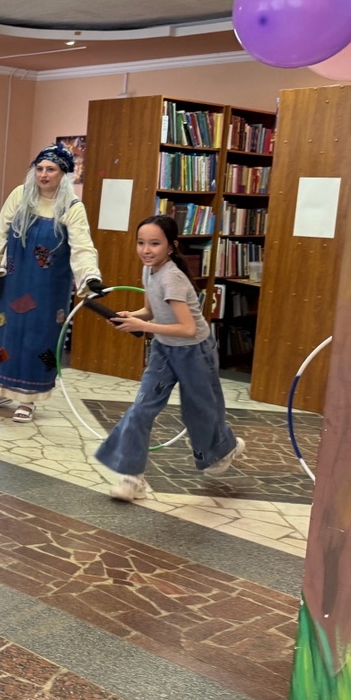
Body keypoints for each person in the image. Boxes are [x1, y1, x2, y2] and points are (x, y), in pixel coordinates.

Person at [96, 215, 246, 501]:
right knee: (140, 410)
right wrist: (131, 316)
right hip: (164, 350)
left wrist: (142, 326)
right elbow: (151, 312)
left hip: (195, 352)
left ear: (171, 246)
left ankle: (226, 447)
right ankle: (132, 479)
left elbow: (188, 329)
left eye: (154, 243)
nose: (146, 250)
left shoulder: (172, 278)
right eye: (141, 243)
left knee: (199, 414)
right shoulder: (149, 270)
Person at [0, 145, 103, 424]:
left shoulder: (72, 207)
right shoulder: (19, 195)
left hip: (48, 289)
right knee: (6, 334)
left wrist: (90, 277)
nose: (44, 175)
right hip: (12, 281)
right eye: (39, 169)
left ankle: (28, 399)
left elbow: (82, 246)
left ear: (63, 174)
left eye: (51, 169)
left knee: (38, 340)